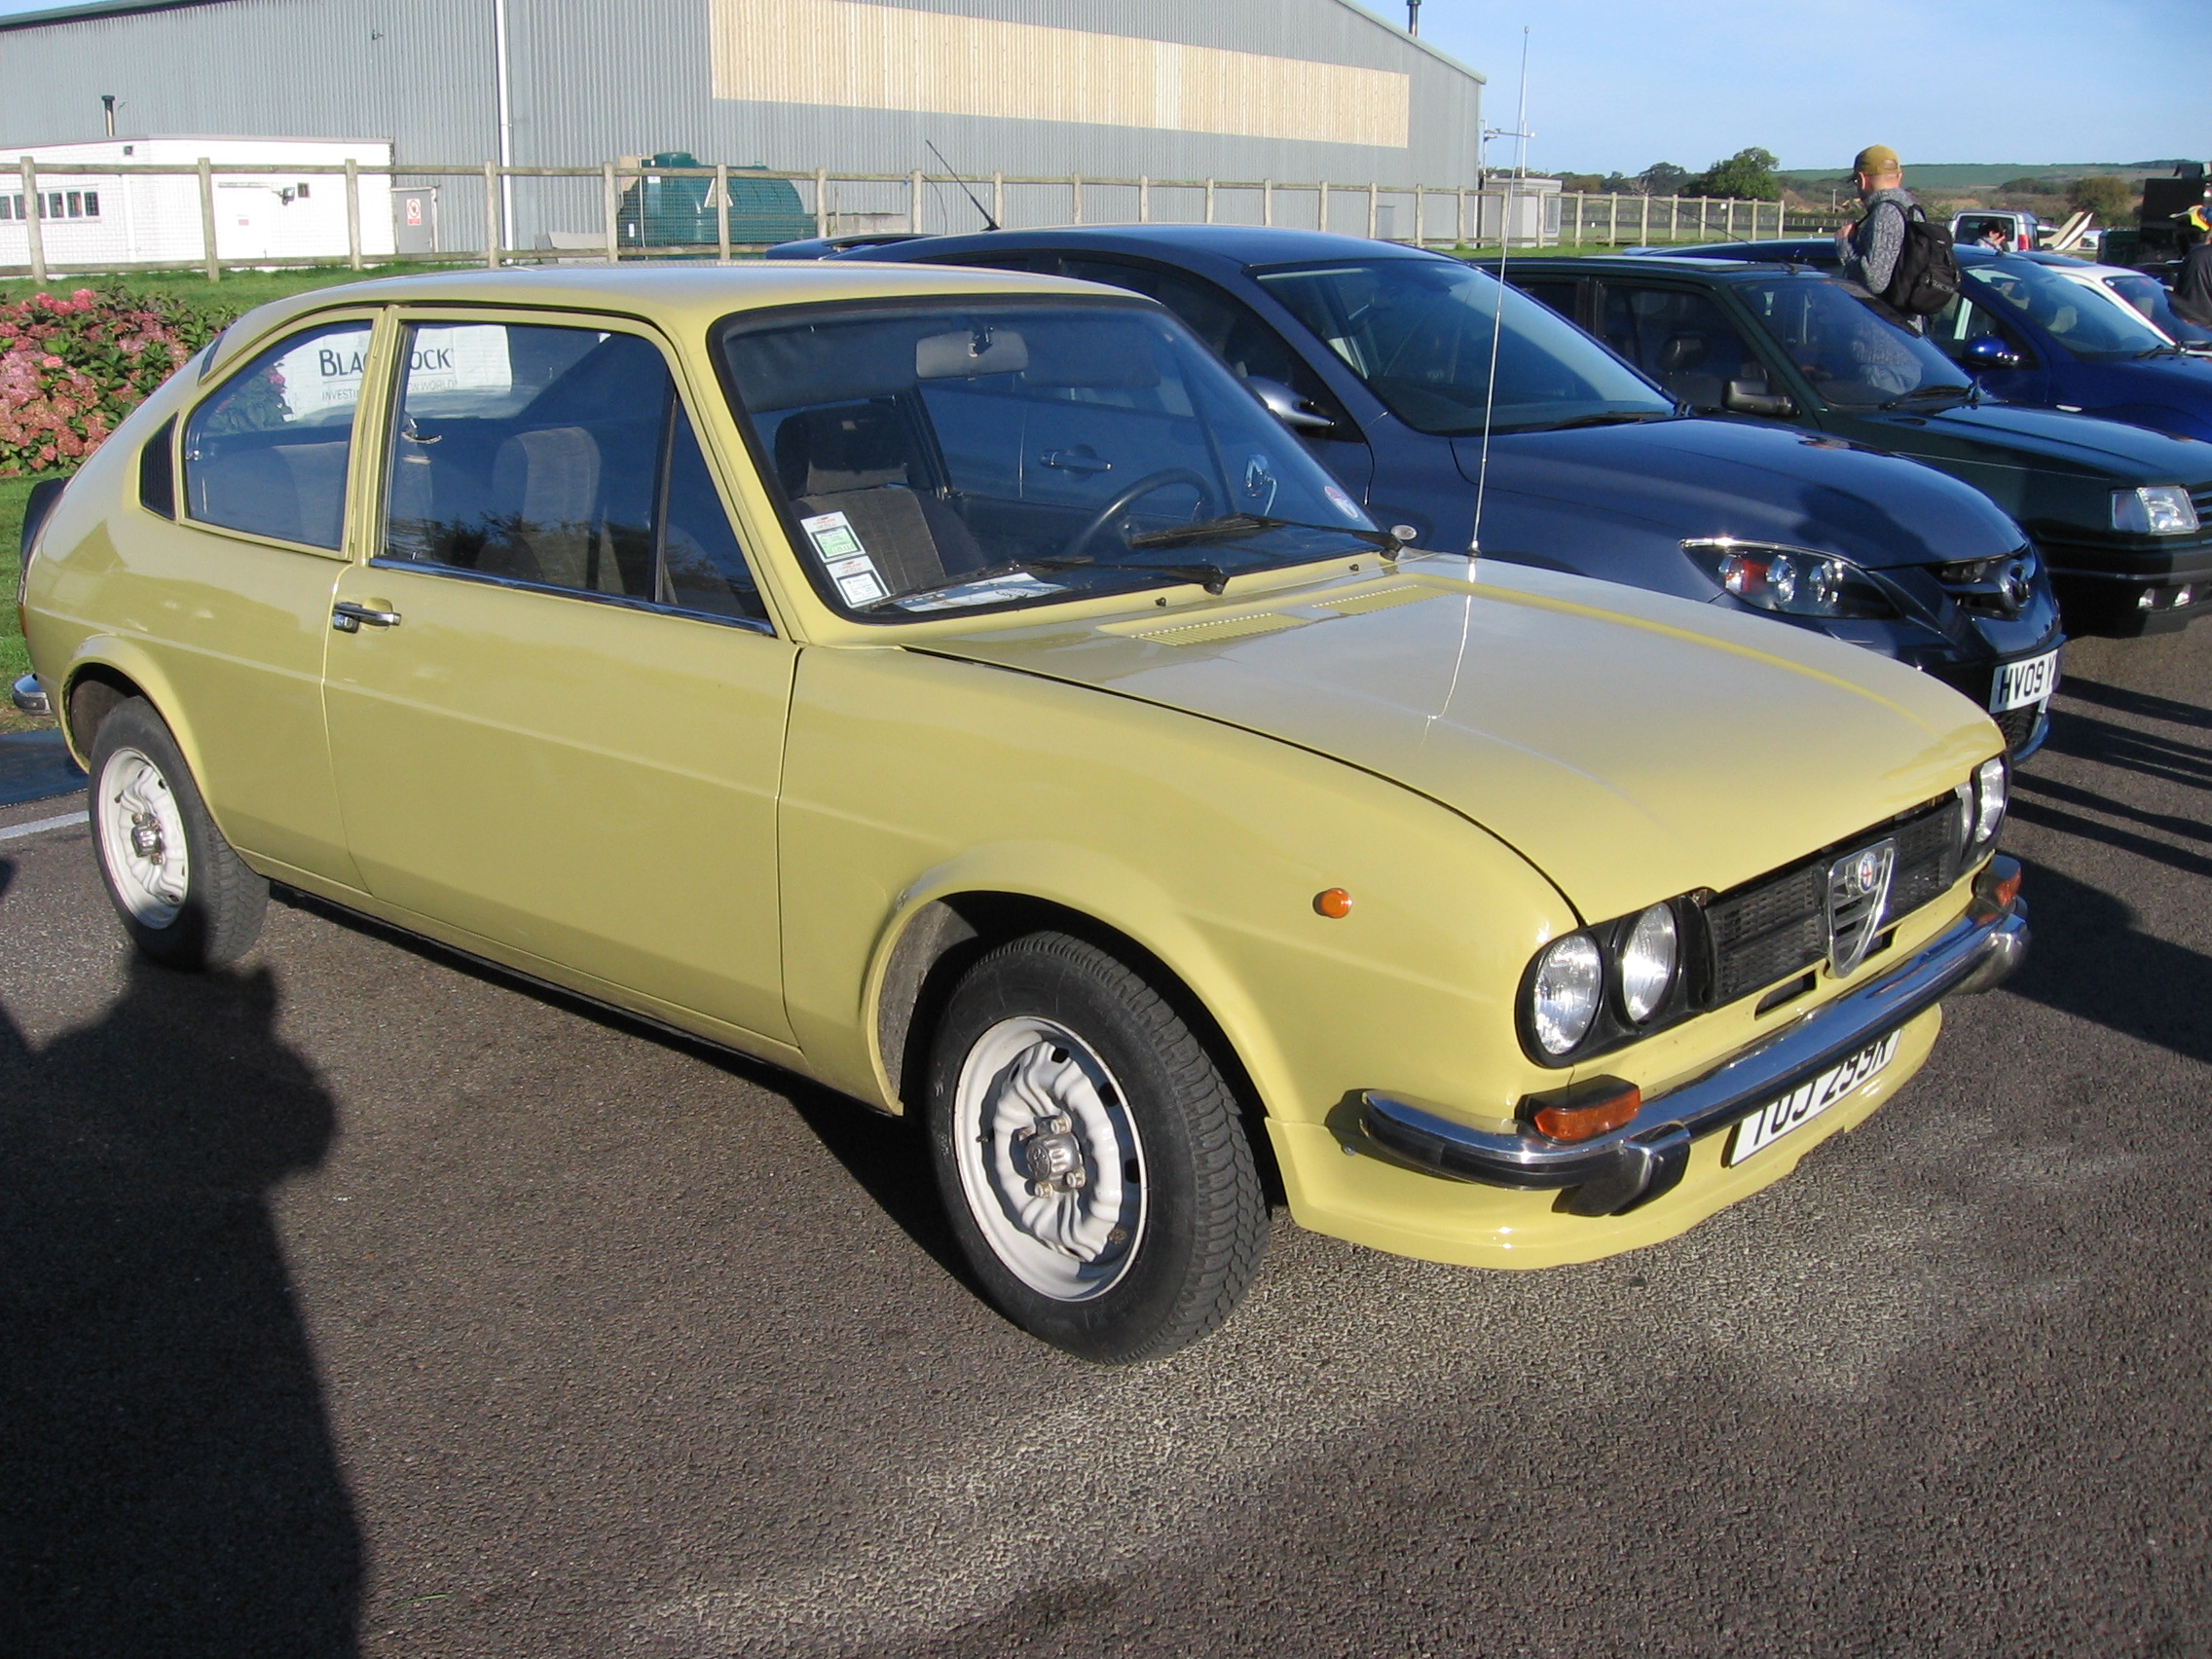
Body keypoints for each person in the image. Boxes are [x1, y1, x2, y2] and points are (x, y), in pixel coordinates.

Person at [1834, 144, 1923, 326]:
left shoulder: (1885, 213)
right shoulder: (1913, 211)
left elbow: (1875, 281)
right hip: (1909, 328)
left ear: (1862, 179)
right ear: (1899, 176)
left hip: (1883, 329)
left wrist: (1845, 245)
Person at [2173, 205, 2212, 331]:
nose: (2177, 236)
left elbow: (2190, 315)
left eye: (2190, 231)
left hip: (2201, 335)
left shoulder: (2199, 258)